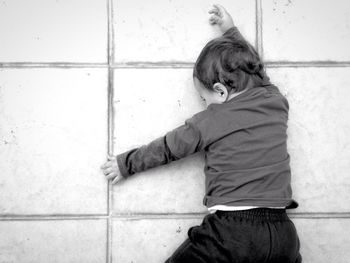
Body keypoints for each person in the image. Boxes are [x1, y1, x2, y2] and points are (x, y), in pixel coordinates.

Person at [101, 4, 302, 263]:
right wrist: (230, 31)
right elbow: (255, 67)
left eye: (204, 98)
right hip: (283, 233)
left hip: (233, 232)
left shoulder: (212, 119)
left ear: (221, 92)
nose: (205, 105)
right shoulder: (275, 99)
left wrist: (125, 164)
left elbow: (167, 148)